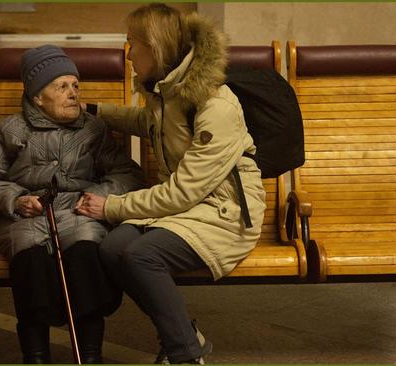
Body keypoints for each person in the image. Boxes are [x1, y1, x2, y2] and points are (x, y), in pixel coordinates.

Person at [76, 3, 266, 364]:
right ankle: (183, 332)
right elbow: (149, 122)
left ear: (156, 46)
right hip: (188, 210)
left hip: (225, 213)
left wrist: (111, 207)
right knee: (112, 248)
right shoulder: (169, 93)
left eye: (133, 43)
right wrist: (94, 111)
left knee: (140, 255)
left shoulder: (215, 105)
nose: (128, 53)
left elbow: (183, 192)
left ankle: (185, 353)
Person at [0, 45, 145, 364]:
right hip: (26, 215)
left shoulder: (93, 129)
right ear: (37, 96)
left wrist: (100, 196)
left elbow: (127, 173)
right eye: (61, 86)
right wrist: (16, 200)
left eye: (75, 85)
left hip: (78, 211)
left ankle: (90, 356)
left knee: (87, 250)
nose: (73, 93)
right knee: (31, 257)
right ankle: (36, 357)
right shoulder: (10, 130)